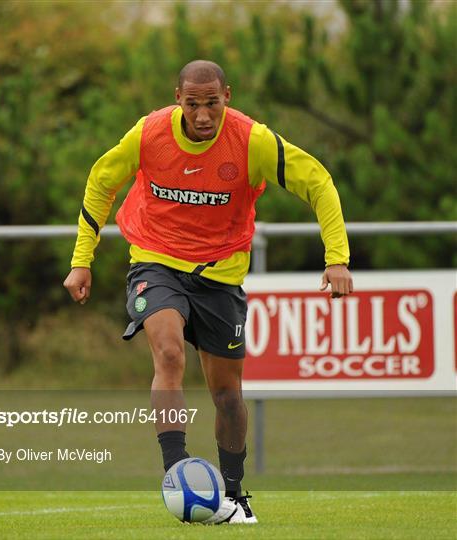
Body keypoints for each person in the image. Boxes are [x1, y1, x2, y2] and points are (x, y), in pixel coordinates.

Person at [64, 60, 353, 524]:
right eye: (193, 104)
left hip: (221, 275)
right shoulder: (148, 133)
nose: (203, 115)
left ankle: (235, 494)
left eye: (212, 103)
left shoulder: (252, 141)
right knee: (169, 353)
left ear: (227, 97)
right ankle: (177, 473)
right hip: (155, 261)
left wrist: (336, 256)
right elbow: (101, 182)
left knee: (227, 395)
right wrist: (82, 260)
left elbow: (317, 181)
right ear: (178, 97)